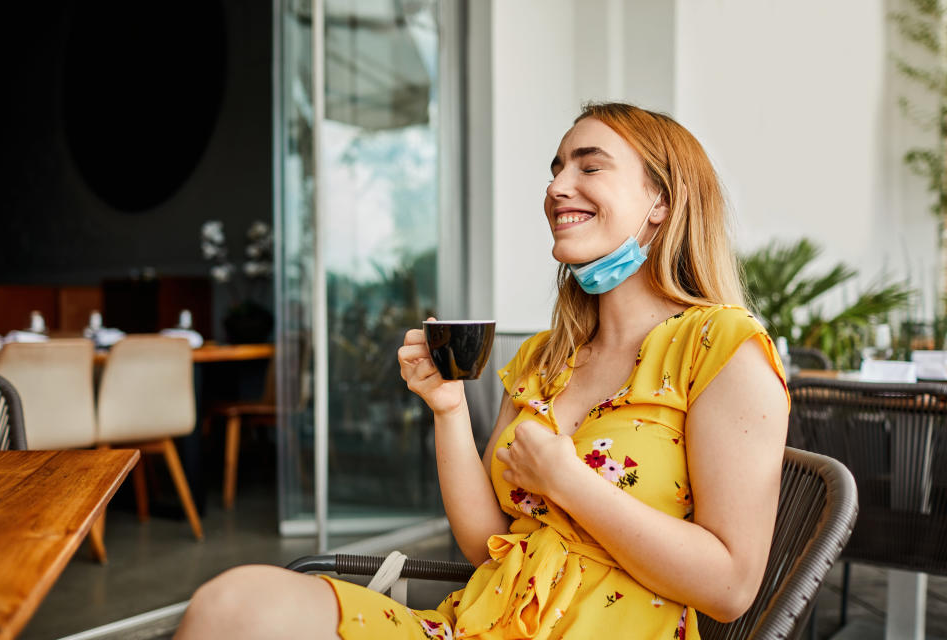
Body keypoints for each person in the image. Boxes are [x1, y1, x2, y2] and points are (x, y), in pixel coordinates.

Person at [174, 102, 789, 640]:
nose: (557, 186)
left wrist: (567, 483)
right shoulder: (543, 360)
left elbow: (731, 587)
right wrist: (446, 407)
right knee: (233, 605)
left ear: (661, 200)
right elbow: (484, 541)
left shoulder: (722, 347)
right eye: (556, 168)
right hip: (476, 623)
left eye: (589, 165)